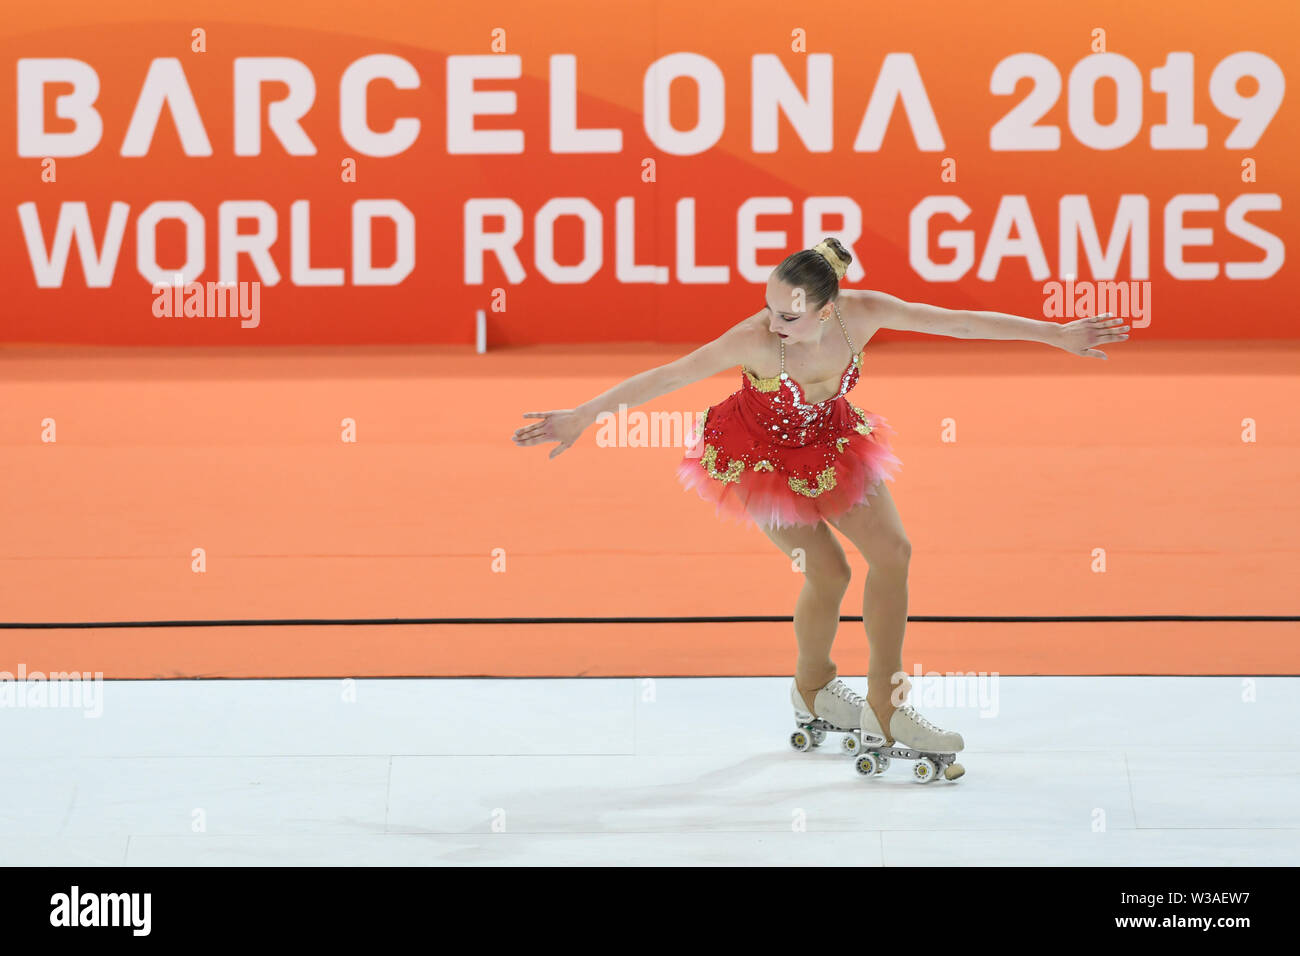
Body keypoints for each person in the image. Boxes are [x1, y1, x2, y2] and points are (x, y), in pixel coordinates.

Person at [512, 238, 1130, 753]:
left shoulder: (864, 312)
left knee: (894, 552)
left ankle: (887, 706)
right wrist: (585, 414)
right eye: (770, 309)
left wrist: (1053, 333)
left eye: (790, 315)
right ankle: (814, 686)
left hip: (831, 443)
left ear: (829, 307)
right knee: (828, 572)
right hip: (755, 456)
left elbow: (959, 321)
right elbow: (668, 375)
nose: (773, 323)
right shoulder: (754, 339)